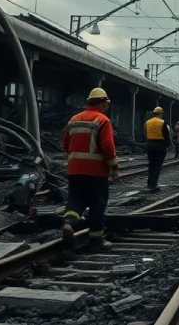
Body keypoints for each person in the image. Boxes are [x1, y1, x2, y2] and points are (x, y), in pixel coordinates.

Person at [61, 87, 119, 251]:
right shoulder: (102, 120)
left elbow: (66, 145)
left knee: (75, 200)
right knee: (97, 204)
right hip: (96, 172)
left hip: (74, 170)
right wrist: (114, 168)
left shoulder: (74, 119)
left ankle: (68, 223)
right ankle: (95, 241)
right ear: (102, 102)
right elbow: (108, 147)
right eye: (107, 102)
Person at [144, 106, 170, 191]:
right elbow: (166, 135)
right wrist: (168, 145)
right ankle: (154, 184)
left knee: (151, 164)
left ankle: (149, 183)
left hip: (149, 144)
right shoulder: (162, 122)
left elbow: (145, 133)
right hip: (160, 145)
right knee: (157, 165)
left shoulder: (147, 122)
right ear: (161, 114)